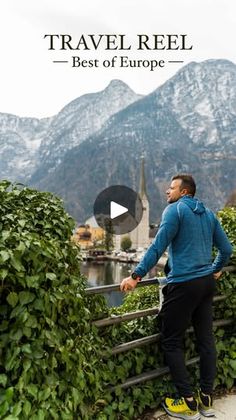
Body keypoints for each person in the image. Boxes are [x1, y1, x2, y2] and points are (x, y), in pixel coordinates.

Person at [120, 174, 232, 420]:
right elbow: (226, 249)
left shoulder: (175, 211)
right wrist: (215, 269)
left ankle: (189, 403)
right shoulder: (209, 214)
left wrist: (136, 276)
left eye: (171, 188)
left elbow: (157, 247)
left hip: (184, 285)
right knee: (206, 340)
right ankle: (206, 398)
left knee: (171, 340)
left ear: (184, 192)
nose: (166, 192)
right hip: (205, 285)